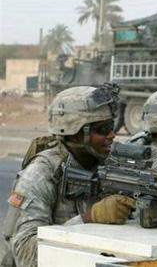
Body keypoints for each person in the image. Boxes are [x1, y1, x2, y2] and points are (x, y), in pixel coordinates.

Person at [1, 85, 135, 267]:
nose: (112, 135)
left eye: (111, 126)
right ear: (76, 133)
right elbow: (26, 254)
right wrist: (88, 219)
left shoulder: (108, 163)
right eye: (102, 129)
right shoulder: (41, 174)